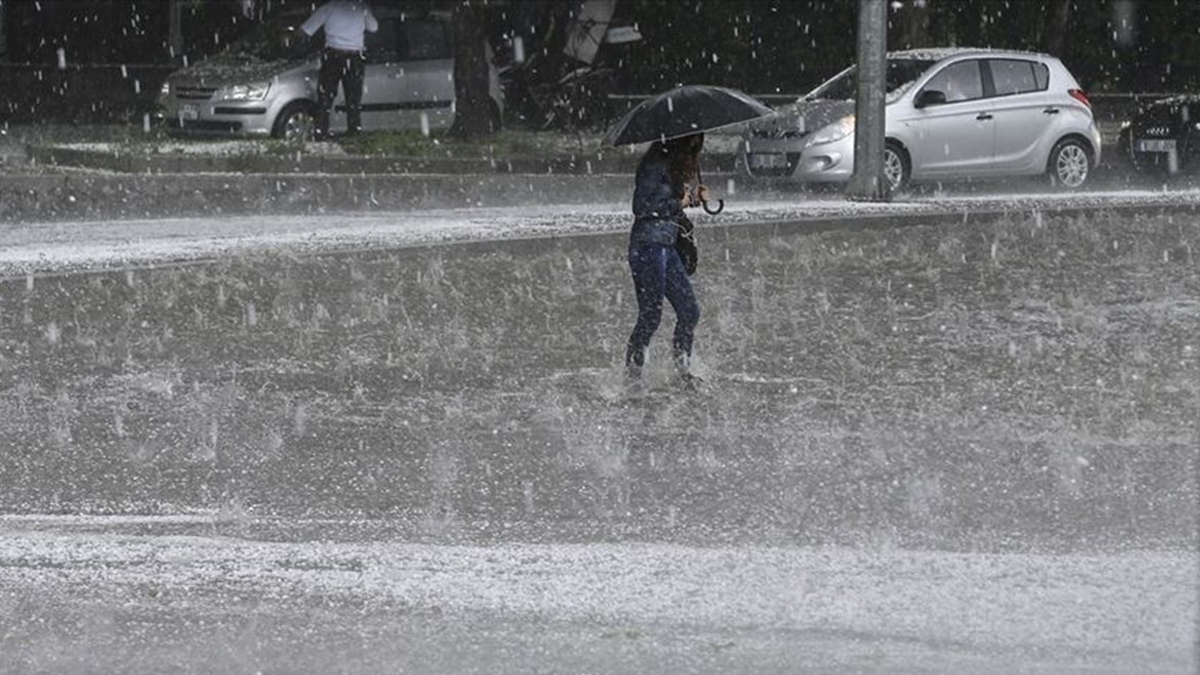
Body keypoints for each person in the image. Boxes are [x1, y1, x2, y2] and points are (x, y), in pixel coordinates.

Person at [624, 133, 709, 388]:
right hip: (648, 246)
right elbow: (642, 206)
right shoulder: (655, 164)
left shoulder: (671, 163)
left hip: (666, 245)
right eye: (693, 146)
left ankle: (683, 372)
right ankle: (632, 377)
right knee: (650, 316)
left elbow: (667, 205)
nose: (695, 152)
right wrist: (680, 200)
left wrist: (693, 198)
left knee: (689, 311)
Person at [297, 0, 378, 139]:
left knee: (325, 97)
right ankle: (354, 131)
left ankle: (321, 131)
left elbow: (306, 29)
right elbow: (374, 27)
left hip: (333, 56)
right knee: (353, 98)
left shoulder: (329, 8)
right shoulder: (360, 8)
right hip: (354, 57)